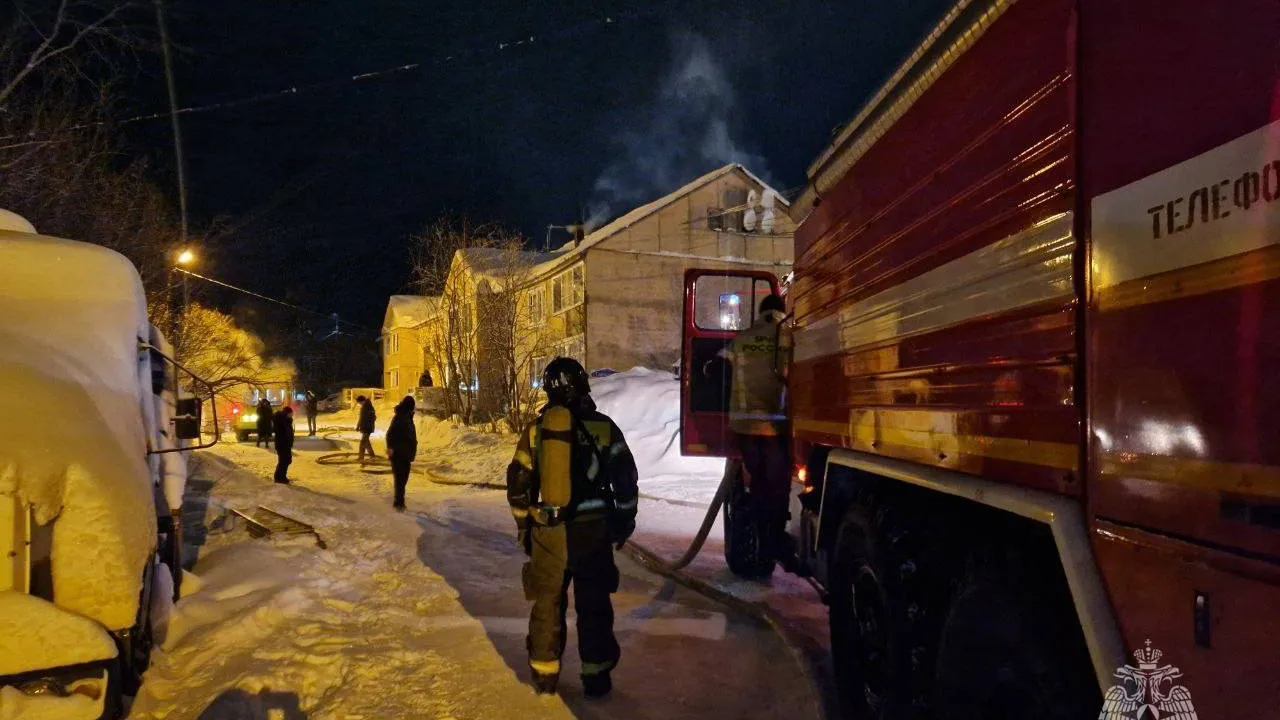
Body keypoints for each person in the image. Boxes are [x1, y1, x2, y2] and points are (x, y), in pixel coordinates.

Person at [506, 357, 638, 698]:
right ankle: (596, 676)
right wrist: (623, 522)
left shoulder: (536, 431)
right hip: (592, 532)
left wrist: (524, 528)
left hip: (549, 531)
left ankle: (545, 674)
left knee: (548, 602)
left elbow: (518, 482)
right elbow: (625, 480)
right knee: (593, 603)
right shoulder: (604, 428)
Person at [723, 293, 793, 567]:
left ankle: (759, 529)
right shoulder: (788, 336)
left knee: (756, 482)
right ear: (781, 311)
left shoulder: (744, 337)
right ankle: (773, 537)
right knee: (775, 485)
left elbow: (719, 364)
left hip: (743, 426)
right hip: (775, 425)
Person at [385, 396, 418, 511]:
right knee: (400, 479)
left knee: (403, 479)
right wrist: (390, 449)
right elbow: (390, 434)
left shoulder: (407, 416)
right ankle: (399, 503)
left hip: (406, 453)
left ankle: (399, 501)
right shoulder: (400, 417)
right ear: (409, 406)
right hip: (399, 453)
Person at [273, 406, 295, 484]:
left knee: (287, 460)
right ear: (287, 413)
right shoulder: (281, 421)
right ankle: (279, 477)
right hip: (282, 444)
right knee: (284, 461)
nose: (292, 415)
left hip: (286, 444)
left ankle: (282, 476)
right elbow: (282, 433)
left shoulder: (286, 421)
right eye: (291, 413)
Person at [356, 395, 376, 463]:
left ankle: (361, 457)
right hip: (364, 427)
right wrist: (358, 425)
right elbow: (361, 418)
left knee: (363, 442)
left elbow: (373, 418)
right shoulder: (363, 407)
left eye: (360, 403)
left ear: (363, 401)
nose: (359, 404)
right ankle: (372, 456)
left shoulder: (369, 407)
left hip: (367, 428)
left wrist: (367, 425)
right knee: (366, 442)